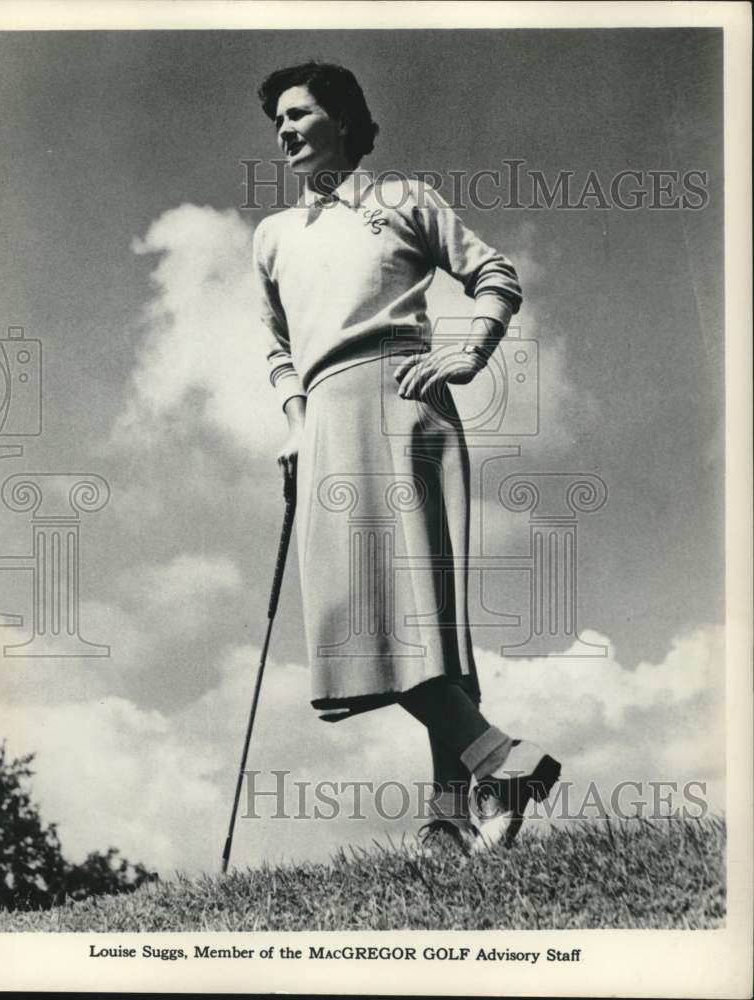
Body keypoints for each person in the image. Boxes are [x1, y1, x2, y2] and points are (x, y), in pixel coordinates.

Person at [252, 61, 560, 854]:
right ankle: (498, 761)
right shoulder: (273, 237)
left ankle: (449, 815)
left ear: (344, 121)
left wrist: (469, 354)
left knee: (422, 615)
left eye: (300, 114)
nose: (285, 131)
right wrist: (295, 419)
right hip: (325, 421)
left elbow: (494, 274)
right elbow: (280, 349)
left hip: (403, 403)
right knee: (351, 614)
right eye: (278, 121)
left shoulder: (402, 200)